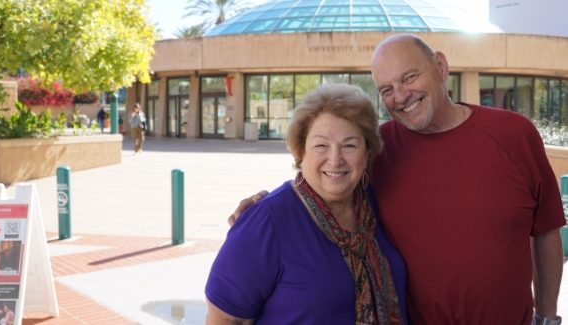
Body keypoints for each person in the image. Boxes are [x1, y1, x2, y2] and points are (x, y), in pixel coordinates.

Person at [229, 34, 565, 325]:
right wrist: (263, 209)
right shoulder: (380, 148)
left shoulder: (513, 134)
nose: (401, 96)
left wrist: (547, 316)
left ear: (441, 67)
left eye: (410, 77)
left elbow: (546, 228)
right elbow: (326, 182)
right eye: (387, 89)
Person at [206, 84, 407, 324]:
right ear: (301, 151)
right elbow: (226, 320)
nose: (335, 159)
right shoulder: (265, 222)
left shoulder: (374, 204)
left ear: (367, 152)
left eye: (349, 145)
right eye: (321, 145)